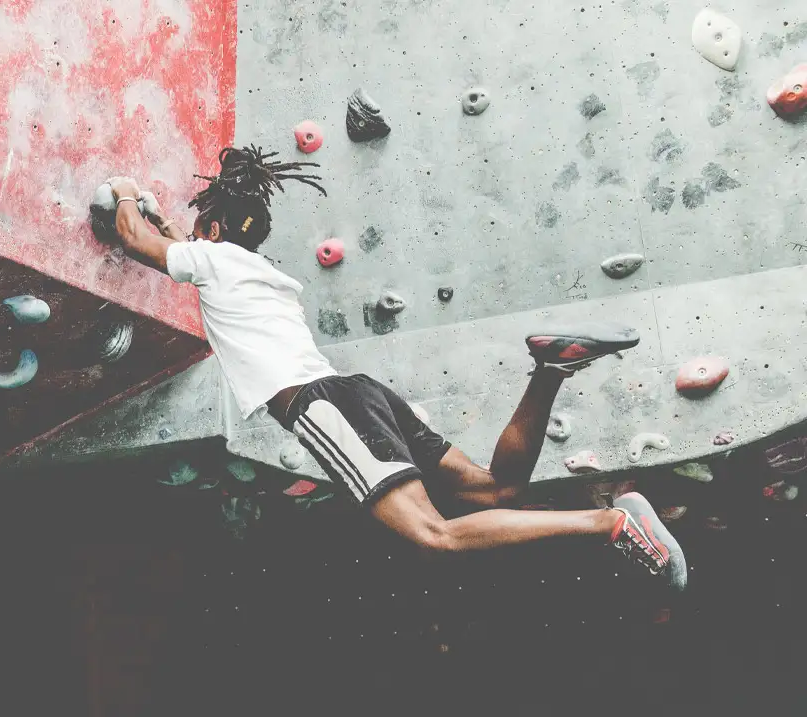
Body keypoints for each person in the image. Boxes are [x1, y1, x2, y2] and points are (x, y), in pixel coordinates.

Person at [106, 146, 686, 591]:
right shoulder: (249, 270)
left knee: (435, 535)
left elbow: (134, 240)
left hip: (320, 408)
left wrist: (129, 193)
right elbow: (188, 244)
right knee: (496, 488)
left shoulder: (211, 260)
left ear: (211, 233)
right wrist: (169, 225)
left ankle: (608, 525)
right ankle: (550, 371)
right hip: (359, 395)